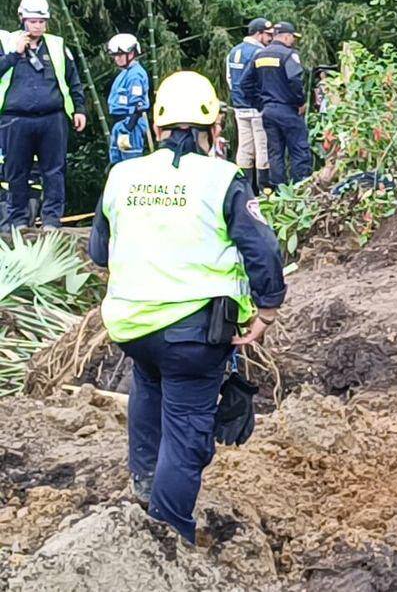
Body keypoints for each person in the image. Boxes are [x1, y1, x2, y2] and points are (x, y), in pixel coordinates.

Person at [87, 70, 285, 545]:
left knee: (149, 385)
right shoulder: (222, 178)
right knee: (187, 430)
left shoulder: (122, 176)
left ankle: (142, 485)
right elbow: (263, 251)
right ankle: (168, 532)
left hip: (133, 326)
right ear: (215, 129)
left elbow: (98, 252)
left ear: (157, 129)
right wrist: (268, 311)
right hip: (194, 335)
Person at [0, 0, 86, 228]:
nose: (37, 25)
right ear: (22, 19)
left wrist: (79, 109)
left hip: (52, 118)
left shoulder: (57, 46)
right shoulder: (6, 42)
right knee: (16, 171)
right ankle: (17, 219)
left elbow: (72, 79)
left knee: (54, 170)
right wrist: (13, 55)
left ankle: (51, 219)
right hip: (15, 118)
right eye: (32, 21)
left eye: (41, 21)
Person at [241, 21, 311, 188]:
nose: (293, 41)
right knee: (299, 151)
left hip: (268, 112)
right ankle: (300, 190)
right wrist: (300, 102)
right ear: (286, 36)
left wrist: (260, 104)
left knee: (275, 153)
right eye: (292, 38)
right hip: (288, 110)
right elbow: (295, 80)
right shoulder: (288, 55)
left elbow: (245, 83)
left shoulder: (260, 55)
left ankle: (278, 192)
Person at [225, 18, 273, 193]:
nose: (270, 38)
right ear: (258, 33)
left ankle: (244, 188)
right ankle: (264, 189)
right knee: (262, 148)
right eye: (268, 34)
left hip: (239, 107)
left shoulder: (233, 51)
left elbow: (230, 80)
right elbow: (261, 81)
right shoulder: (259, 53)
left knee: (244, 148)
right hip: (256, 108)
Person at [106, 34, 151, 164]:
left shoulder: (135, 75)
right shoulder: (125, 73)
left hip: (130, 125)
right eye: (115, 55)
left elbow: (138, 106)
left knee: (129, 163)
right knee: (117, 162)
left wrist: (128, 128)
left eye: (120, 54)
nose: (117, 58)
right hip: (120, 125)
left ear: (131, 53)